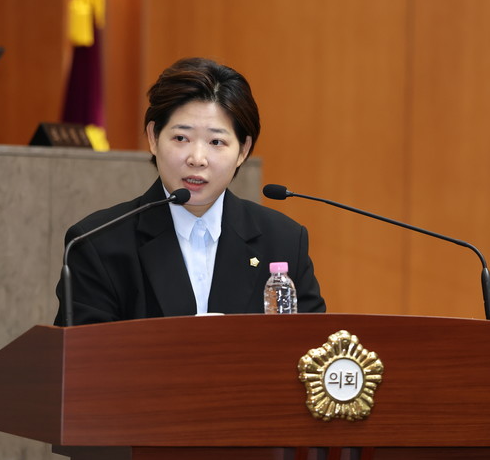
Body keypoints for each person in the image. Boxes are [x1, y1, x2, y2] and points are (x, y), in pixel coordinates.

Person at [54, 57, 325, 325]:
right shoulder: (97, 242)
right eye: (181, 138)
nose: (197, 158)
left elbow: (313, 344)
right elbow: (82, 351)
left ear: (243, 150)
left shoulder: (283, 241)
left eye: (216, 142)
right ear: (153, 137)